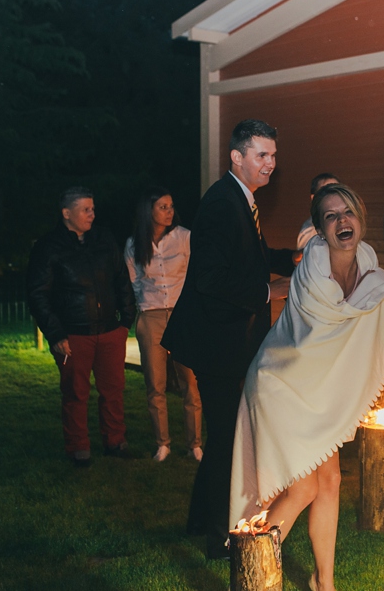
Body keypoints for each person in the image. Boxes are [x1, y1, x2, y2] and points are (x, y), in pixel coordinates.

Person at [231, 184, 384, 591]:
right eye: (331, 215)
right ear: (320, 229)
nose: (343, 220)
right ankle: (250, 575)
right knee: (305, 484)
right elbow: (321, 336)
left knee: (330, 482)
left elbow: (358, 330)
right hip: (282, 383)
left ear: (360, 216)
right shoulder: (311, 267)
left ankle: (325, 583)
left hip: (319, 389)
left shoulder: (367, 258)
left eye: (348, 212)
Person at [161, 119, 296, 559]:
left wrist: (293, 258)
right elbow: (212, 280)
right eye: (262, 155)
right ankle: (219, 538)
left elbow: (251, 258)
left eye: (273, 156)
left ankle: (200, 520)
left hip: (223, 339)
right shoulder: (222, 203)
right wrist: (267, 291)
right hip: (214, 341)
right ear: (236, 157)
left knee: (221, 437)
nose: (270, 164)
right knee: (224, 439)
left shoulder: (242, 199)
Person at [27, 187, 137, 468]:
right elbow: (38, 293)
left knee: (113, 389)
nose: (92, 214)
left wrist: (125, 320)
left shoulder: (103, 239)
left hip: (110, 331)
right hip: (73, 333)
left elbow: (121, 278)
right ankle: (78, 447)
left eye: (93, 208)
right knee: (75, 392)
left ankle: (115, 440)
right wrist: (55, 333)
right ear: (67, 213)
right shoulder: (49, 246)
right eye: (85, 209)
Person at [124, 187, 202, 463]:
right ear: (149, 211)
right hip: (151, 315)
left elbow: (197, 273)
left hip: (183, 316)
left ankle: (194, 444)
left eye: (171, 206)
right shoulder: (135, 244)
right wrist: (144, 307)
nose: (169, 212)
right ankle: (163, 444)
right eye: (163, 207)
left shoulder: (184, 238)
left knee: (190, 382)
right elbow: (134, 281)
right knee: (155, 384)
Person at [297, 173, 341, 250]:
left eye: (337, 190)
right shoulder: (311, 230)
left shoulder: (344, 221)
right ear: (314, 198)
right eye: (327, 191)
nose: (334, 195)